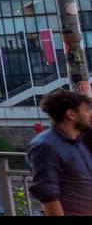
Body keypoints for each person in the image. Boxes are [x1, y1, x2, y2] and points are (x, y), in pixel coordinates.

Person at [27, 88, 92, 216]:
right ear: (71, 114)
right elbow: (48, 195)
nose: (89, 114)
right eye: (86, 110)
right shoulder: (45, 146)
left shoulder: (79, 140)